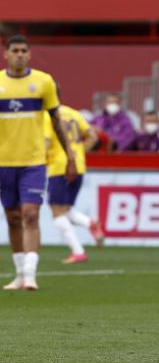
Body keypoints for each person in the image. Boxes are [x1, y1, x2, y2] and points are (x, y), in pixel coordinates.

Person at [0, 35, 78, 291]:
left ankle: (31, 274)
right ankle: (20, 274)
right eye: (15, 50)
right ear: (7, 54)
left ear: (29, 55)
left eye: (24, 50)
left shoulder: (43, 82)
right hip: (4, 163)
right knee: (12, 218)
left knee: (30, 214)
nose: (20, 54)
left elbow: (56, 122)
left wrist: (70, 155)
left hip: (33, 162)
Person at [44, 86, 104, 264]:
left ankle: (78, 252)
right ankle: (89, 223)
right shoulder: (74, 113)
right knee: (65, 209)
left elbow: (46, 142)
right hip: (78, 166)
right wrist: (79, 153)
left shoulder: (47, 116)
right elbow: (93, 136)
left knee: (57, 212)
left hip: (60, 166)